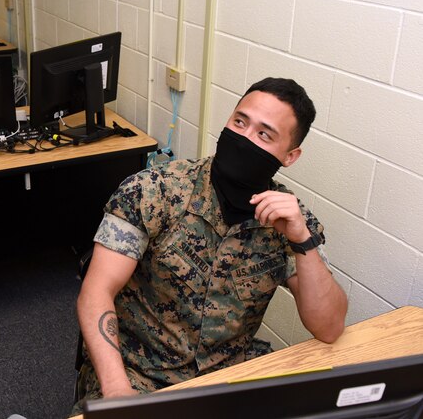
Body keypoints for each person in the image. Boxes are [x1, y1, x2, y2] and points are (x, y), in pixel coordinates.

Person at [72, 77, 348, 414]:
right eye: (239, 122)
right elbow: (95, 291)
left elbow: (329, 327)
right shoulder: (154, 190)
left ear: (290, 156)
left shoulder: (289, 220)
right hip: (139, 374)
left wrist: (303, 241)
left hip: (230, 377)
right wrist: (117, 389)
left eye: (264, 134)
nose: (244, 137)